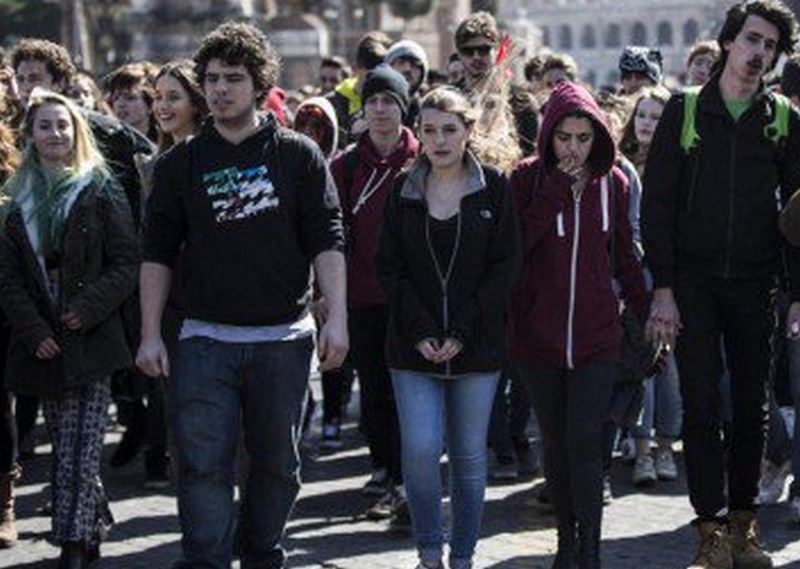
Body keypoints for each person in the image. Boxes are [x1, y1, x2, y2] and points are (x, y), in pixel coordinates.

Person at [135, 22, 347, 569]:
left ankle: (260, 554)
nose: (220, 89)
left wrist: (337, 318)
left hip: (283, 339)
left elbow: (327, 239)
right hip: (203, 340)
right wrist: (150, 333)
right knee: (204, 467)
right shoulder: (179, 163)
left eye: (233, 78)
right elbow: (156, 251)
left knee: (278, 467)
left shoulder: (299, 156)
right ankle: (206, 561)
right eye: (211, 79)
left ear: (259, 83)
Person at [641, 1, 800, 567]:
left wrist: (798, 293)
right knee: (703, 408)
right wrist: (663, 287)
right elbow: (655, 208)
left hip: (758, 284)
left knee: (752, 411)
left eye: (771, 47)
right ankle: (709, 535)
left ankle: (743, 530)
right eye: (752, 40)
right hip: (694, 284)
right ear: (730, 41)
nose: (760, 54)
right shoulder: (685, 110)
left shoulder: (781, 118)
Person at [376, 85, 520, 569]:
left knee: (469, 458)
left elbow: (505, 266)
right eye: (430, 130)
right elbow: (388, 266)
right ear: (418, 134)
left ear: (468, 132)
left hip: (476, 344)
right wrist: (421, 330)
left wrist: (461, 329)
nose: (439, 141)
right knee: (419, 451)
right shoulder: (403, 188)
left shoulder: (495, 187)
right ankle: (428, 553)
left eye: (449, 130)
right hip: (411, 345)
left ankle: (462, 557)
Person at [510, 80, 648, 568]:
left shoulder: (615, 183)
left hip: (597, 337)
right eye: (563, 137)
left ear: (599, 138)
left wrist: (650, 310)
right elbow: (514, 251)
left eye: (583, 138)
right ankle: (566, 539)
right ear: (548, 135)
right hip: (538, 338)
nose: (573, 148)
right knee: (556, 442)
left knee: (586, 441)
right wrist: (551, 195)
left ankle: (589, 547)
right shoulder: (525, 179)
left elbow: (625, 259)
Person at [0, 90, 139, 567]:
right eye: (45, 126)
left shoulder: (100, 186)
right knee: (67, 446)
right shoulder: (15, 195)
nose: (55, 133)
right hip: (43, 338)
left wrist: (88, 307)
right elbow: (9, 277)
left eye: (63, 125)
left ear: (76, 131)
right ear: (31, 134)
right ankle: (91, 523)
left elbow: (126, 262)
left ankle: (72, 545)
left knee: (81, 448)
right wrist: (34, 328)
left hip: (92, 334)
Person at [330, 65, 419, 521]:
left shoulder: (423, 159)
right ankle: (384, 466)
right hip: (361, 297)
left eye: (389, 102)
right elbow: (331, 234)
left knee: (410, 390)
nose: (381, 110)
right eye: (373, 102)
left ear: (403, 108)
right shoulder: (344, 166)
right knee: (376, 392)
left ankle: (407, 478)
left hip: (413, 300)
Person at [618, 85, 683, 487]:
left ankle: (664, 447)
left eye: (656, 117)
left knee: (668, 367)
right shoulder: (620, 167)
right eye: (641, 115)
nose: (646, 124)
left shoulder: (680, 163)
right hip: (633, 279)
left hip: (670, 278)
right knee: (640, 364)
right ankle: (641, 450)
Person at [105, 62, 159, 143]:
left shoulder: (166, 144)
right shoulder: (106, 143)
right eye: (116, 98)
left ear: (151, 105)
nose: (120, 104)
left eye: (130, 98)